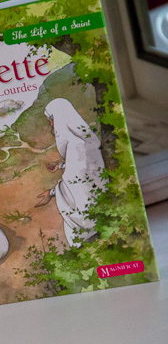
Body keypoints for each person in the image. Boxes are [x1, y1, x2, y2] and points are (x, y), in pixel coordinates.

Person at [35, 98, 105, 248]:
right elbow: (85, 169)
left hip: (89, 224)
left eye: (52, 120)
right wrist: (61, 166)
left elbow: (76, 186)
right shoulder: (86, 141)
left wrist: (52, 193)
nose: (51, 125)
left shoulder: (75, 146)